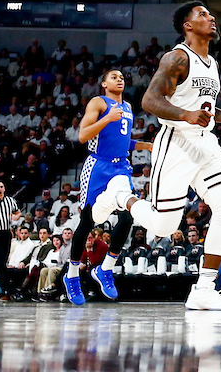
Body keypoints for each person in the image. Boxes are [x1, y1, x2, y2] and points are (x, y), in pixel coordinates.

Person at [100, 1, 221, 311]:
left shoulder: (212, 63)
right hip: (176, 143)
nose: (212, 16)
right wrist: (185, 115)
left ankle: (204, 289)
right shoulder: (177, 57)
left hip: (204, 143)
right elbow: (150, 100)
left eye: (210, 12)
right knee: (165, 227)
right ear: (187, 26)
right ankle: (121, 196)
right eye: (203, 14)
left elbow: (200, 107)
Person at [64, 69, 151, 306]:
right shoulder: (99, 102)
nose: (120, 79)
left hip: (121, 167)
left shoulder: (129, 107)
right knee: (87, 222)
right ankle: (71, 275)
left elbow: (123, 140)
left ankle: (106, 268)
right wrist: (107, 118)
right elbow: (82, 135)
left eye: (122, 76)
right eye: (114, 76)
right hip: (97, 166)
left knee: (126, 218)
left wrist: (147, 145)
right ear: (104, 84)